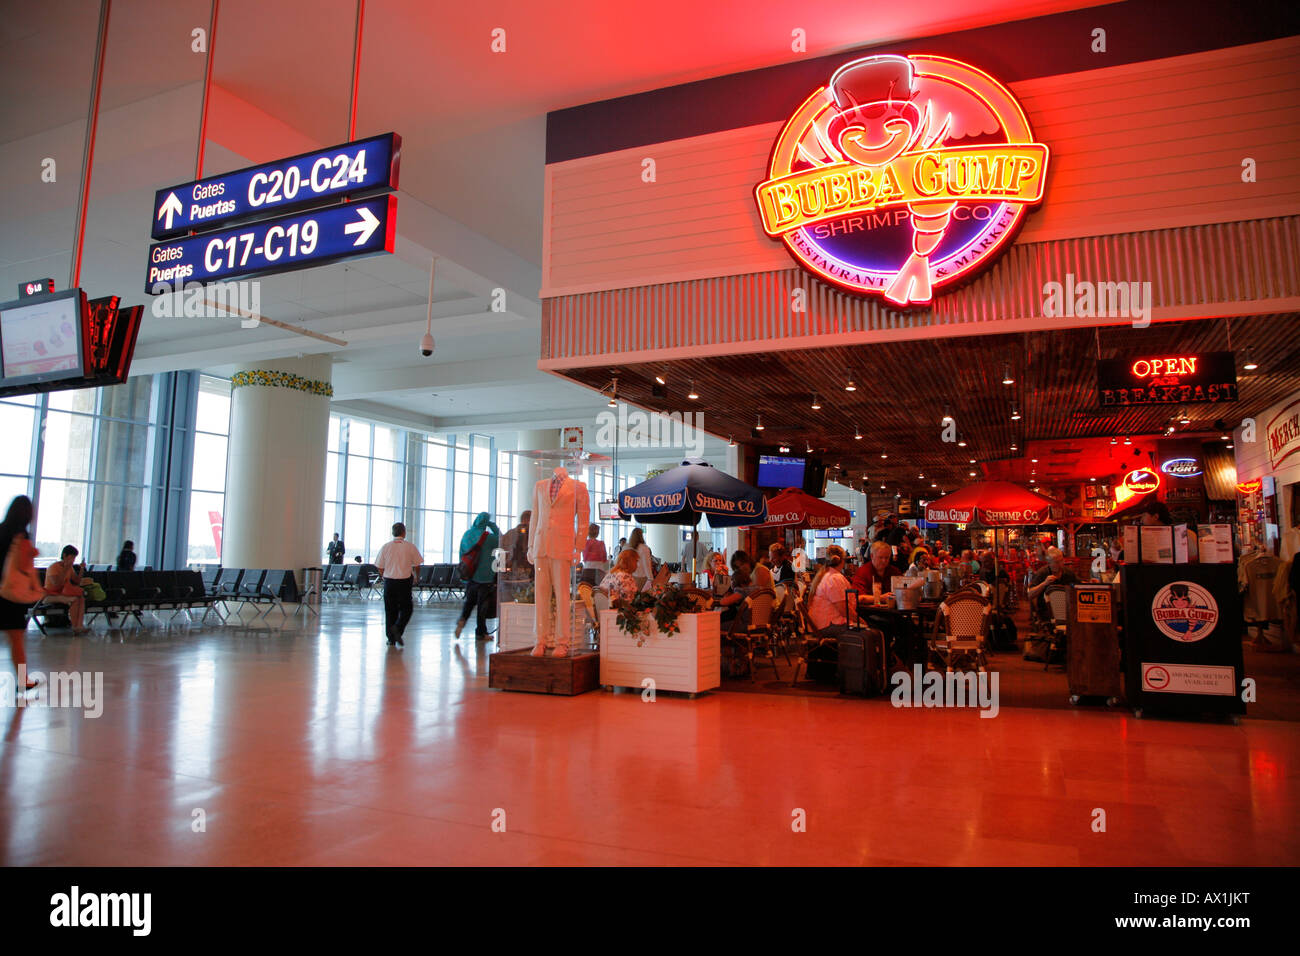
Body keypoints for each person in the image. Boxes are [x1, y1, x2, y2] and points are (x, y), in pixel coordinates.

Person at [0, 496, 40, 689]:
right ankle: (23, 680)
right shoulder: (21, 536)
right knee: (16, 638)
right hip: (12, 594)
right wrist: (32, 554)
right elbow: (23, 565)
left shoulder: (1, 530)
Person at [374, 522, 423, 646]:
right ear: (404, 532)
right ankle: (398, 628)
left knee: (390, 610)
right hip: (404, 581)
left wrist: (384, 576)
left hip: (389, 582)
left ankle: (391, 638)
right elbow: (417, 564)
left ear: (392, 533)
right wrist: (416, 576)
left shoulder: (386, 547)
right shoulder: (410, 547)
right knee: (407, 608)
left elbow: (379, 566)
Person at [455, 512, 500, 640]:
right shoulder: (489, 538)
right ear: (485, 522)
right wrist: (493, 526)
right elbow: (502, 540)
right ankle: (481, 632)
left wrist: (465, 572)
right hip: (486, 576)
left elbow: (462, 554)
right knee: (482, 606)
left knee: (469, 602)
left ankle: (462, 619)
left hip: (471, 575)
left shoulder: (467, 535)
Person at [44, 545, 89, 634]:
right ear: (64, 555)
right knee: (74, 600)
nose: (73, 560)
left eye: (74, 558)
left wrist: (81, 569)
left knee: (81, 598)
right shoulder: (53, 567)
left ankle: (79, 625)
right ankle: (75, 626)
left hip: (63, 594)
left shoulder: (70, 568)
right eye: (71, 557)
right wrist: (65, 569)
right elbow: (57, 583)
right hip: (50, 595)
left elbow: (77, 581)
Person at [1027, 546, 1079, 619]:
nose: (1061, 564)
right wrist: (1044, 583)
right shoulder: (1042, 573)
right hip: (1046, 610)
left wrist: (1090, 583)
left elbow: (1080, 584)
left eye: (1061, 560)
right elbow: (1030, 595)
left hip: (1067, 608)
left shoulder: (1068, 573)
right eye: (1057, 562)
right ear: (1049, 563)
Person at [809, 545, 852, 632]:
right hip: (828, 626)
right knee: (871, 628)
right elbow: (844, 610)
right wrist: (862, 621)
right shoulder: (835, 578)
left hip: (818, 624)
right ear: (843, 561)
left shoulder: (825, 574)